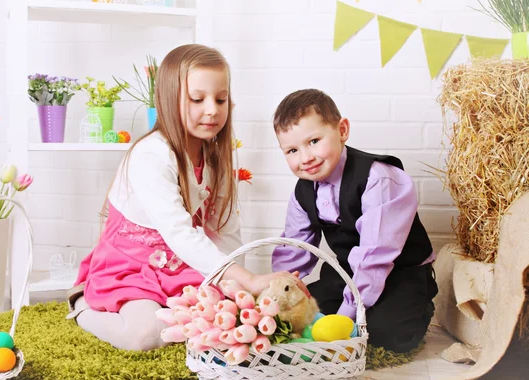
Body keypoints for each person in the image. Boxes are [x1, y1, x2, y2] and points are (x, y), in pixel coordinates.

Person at [66, 44, 300, 351]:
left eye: (221, 99)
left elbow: (225, 233)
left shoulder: (215, 160)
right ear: (169, 99)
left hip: (179, 266)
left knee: (231, 316)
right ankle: (83, 306)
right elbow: (180, 233)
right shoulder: (151, 155)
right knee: (146, 334)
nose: (212, 109)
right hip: (130, 267)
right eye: (197, 99)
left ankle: (173, 307)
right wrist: (249, 279)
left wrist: (236, 289)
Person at [271, 89, 438, 353]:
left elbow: (375, 256)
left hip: (400, 272)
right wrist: (279, 297)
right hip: (350, 272)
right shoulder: (303, 191)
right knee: (308, 313)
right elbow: (294, 250)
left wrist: (346, 316)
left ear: (342, 130)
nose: (305, 158)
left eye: (314, 141)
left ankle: (420, 305)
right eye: (292, 150)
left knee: (386, 333)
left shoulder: (378, 179)